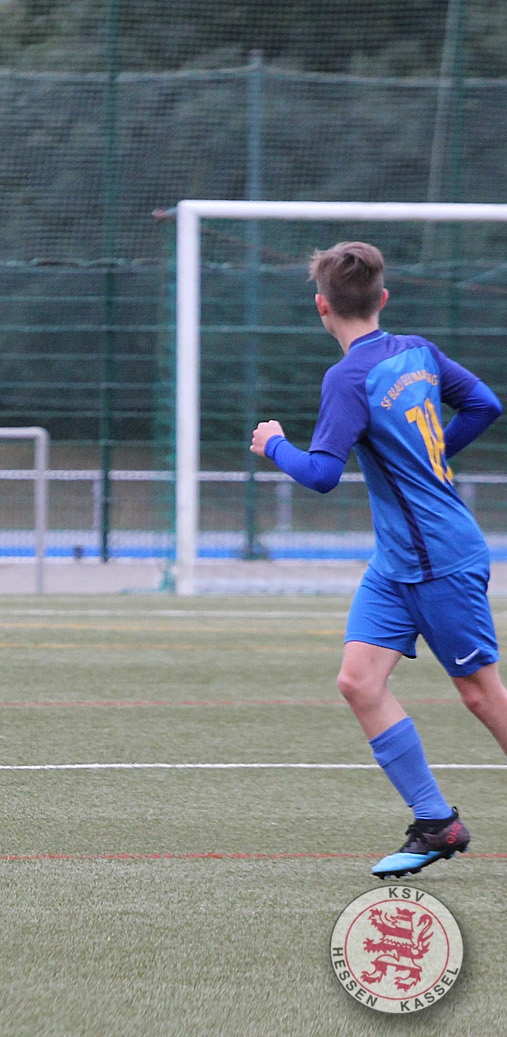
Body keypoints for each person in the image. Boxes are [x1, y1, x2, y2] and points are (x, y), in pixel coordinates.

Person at [250, 241, 506, 878]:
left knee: (481, 696)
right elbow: (485, 405)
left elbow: (320, 475)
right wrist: (432, 456)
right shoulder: (418, 350)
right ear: (382, 298)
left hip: (440, 558)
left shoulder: (348, 378)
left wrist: (274, 445)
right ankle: (436, 822)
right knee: (359, 682)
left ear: (321, 306)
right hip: (396, 562)